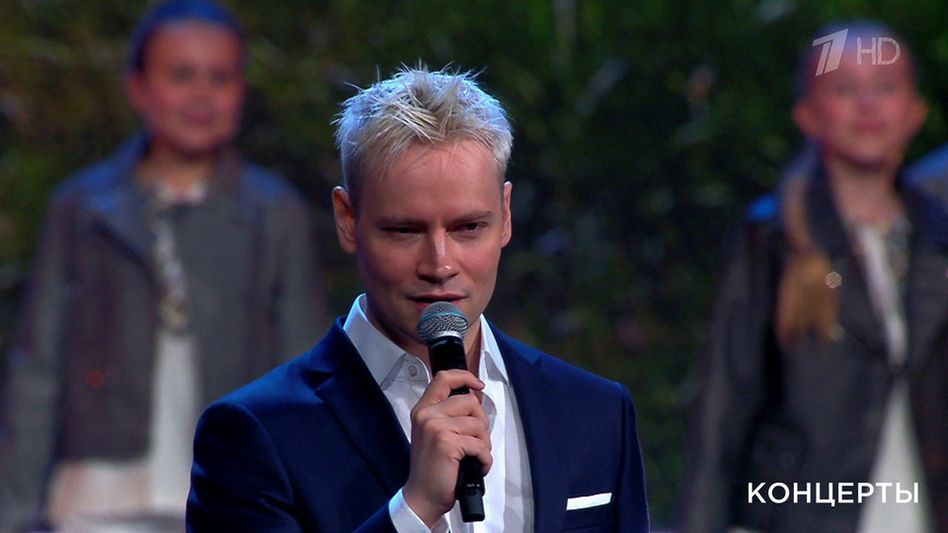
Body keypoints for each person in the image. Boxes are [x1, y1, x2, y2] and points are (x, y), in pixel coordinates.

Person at [186, 67, 650, 532]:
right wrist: (414, 508)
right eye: (404, 231)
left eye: (469, 227)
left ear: (505, 216)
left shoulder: (595, 413)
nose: (440, 264)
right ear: (347, 220)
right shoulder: (256, 434)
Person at [0, 1, 325, 531]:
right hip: (96, 494)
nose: (201, 95)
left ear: (241, 90)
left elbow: (303, 366)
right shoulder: (83, 208)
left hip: (232, 487)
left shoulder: (273, 213)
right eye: (181, 75)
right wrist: (13, 510)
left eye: (220, 77)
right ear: (138, 87)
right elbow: (39, 367)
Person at [681, 22, 948, 533]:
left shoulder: (935, 238)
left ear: (916, 111)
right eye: (844, 88)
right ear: (807, 114)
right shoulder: (772, 239)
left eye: (885, 87)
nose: (867, 105)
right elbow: (724, 402)